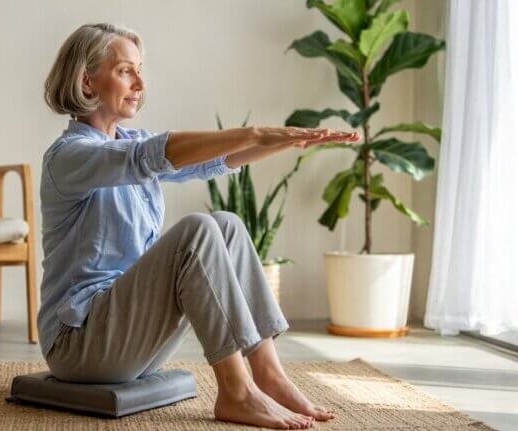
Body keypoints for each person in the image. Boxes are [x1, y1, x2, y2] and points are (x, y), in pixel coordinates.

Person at [38, 23, 360, 429]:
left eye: (140, 70)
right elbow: (145, 158)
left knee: (224, 224)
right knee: (195, 231)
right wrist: (255, 133)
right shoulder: (69, 156)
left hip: (129, 340)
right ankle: (237, 392)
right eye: (125, 71)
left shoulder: (131, 140)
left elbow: (207, 163)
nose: (140, 82)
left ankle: (269, 375)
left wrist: (284, 140)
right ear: (87, 80)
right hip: (78, 343)